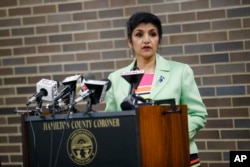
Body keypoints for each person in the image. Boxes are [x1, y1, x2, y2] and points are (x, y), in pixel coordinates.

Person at [104, 11, 207, 167]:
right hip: (134, 158)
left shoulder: (181, 71)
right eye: (139, 35)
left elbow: (198, 114)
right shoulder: (115, 78)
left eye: (152, 34)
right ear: (130, 42)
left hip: (176, 155)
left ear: (159, 40)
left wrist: (171, 136)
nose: (146, 40)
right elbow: (111, 121)